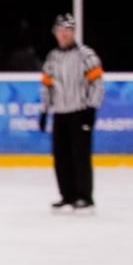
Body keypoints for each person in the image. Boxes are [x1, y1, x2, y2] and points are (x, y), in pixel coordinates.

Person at [39, 13, 104, 211]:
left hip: (80, 111)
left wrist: (91, 108)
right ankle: (67, 195)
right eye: (61, 30)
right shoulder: (52, 57)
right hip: (60, 113)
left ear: (74, 32)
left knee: (80, 155)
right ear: (55, 33)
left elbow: (97, 83)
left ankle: (84, 196)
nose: (64, 34)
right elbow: (46, 85)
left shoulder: (86, 55)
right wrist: (44, 111)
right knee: (61, 156)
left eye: (68, 30)